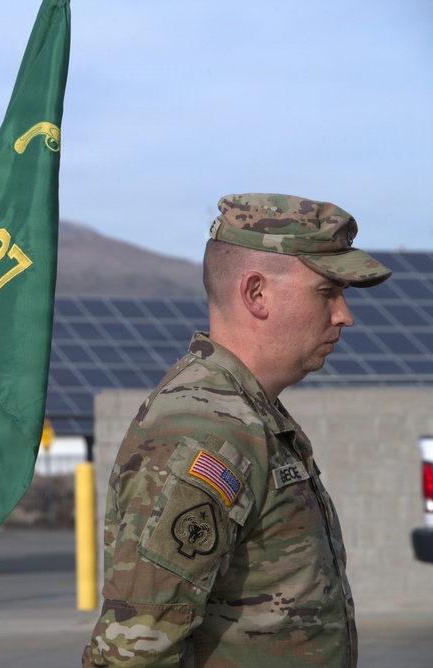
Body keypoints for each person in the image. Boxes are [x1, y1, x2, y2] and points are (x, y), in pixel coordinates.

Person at [82, 193, 392, 667]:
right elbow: (133, 654)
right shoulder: (206, 430)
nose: (344, 315)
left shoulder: (249, 413)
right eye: (327, 292)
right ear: (256, 294)